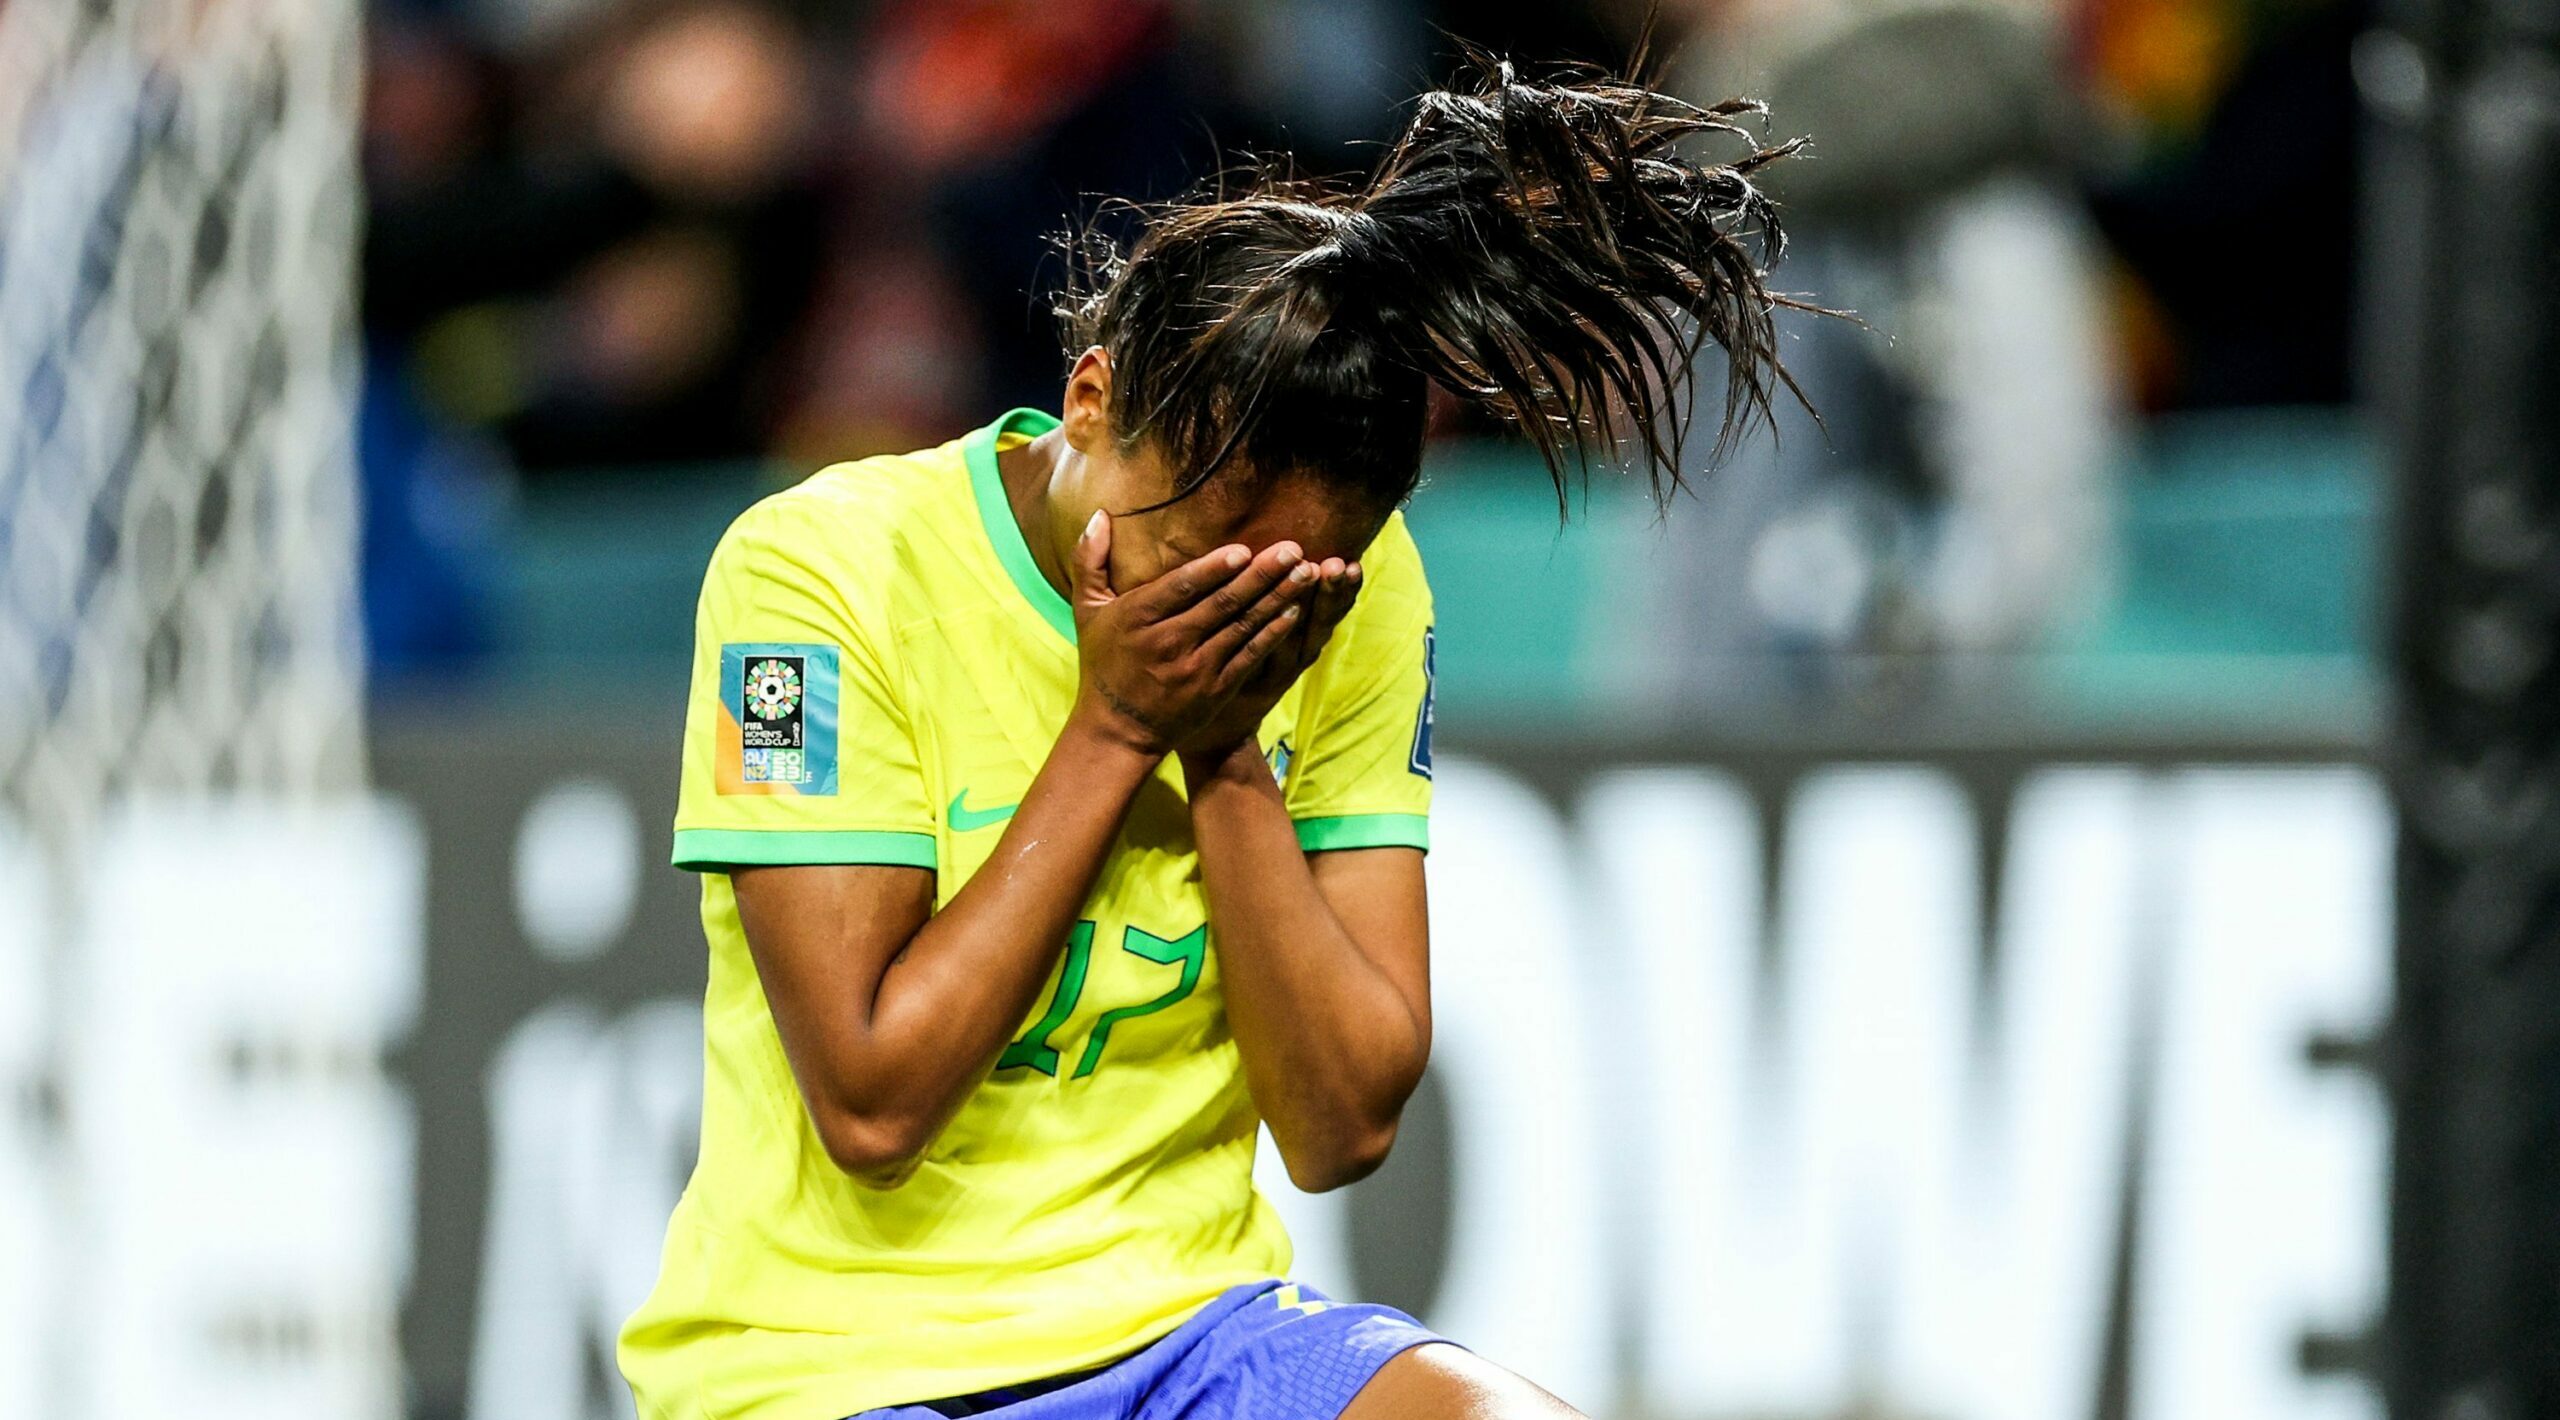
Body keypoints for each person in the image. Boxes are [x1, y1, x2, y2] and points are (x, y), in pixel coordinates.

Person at [619, 54, 1799, 1420]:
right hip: (833, 1373)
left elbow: (1340, 1123)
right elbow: (873, 1104)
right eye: (1192, 558)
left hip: (1189, 1336)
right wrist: (1121, 725)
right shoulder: (816, 577)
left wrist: (1228, 753)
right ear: (1091, 402)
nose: (1230, 608)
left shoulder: (1355, 589)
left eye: (1283, 584)